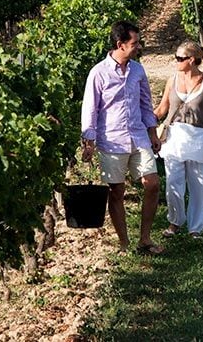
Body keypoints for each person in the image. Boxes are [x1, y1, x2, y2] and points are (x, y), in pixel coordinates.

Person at [81, 20, 164, 255]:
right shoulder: (98, 73)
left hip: (138, 136)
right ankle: (125, 243)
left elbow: (146, 103)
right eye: (134, 43)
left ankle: (145, 239)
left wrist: (152, 132)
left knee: (153, 184)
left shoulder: (138, 70)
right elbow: (90, 109)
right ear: (120, 44)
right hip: (112, 140)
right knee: (116, 192)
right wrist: (89, 141)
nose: (138, 47)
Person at [155, 41, 203, 240]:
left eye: (180, 58)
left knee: (200, 184)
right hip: (174, 137)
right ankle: (175, 222)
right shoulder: (172, 80)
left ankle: (196, 228)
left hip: (197, 137)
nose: (176, 61)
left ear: (191, 60)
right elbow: (162, 109)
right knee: (173, 183)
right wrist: (146, 122)